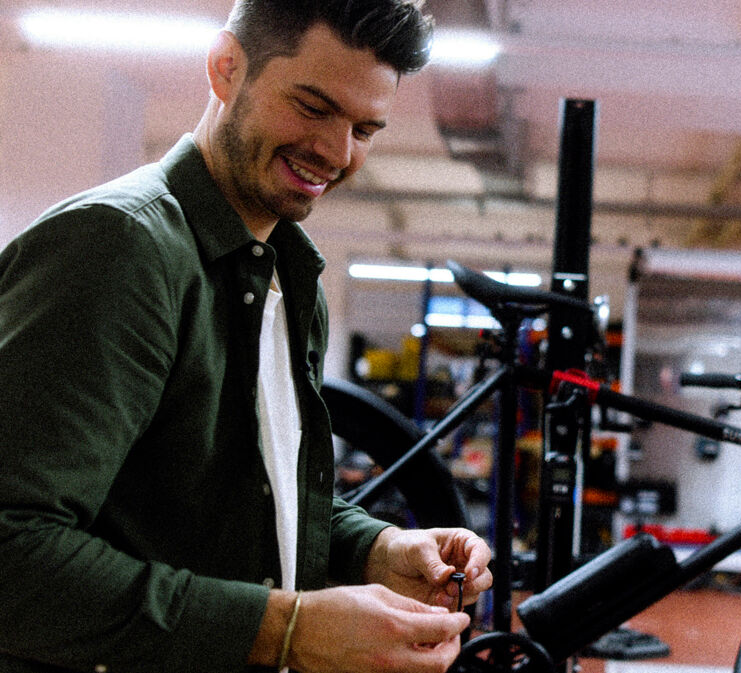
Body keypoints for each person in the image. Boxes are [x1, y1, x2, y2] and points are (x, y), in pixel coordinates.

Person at [0, 2, 493, 672]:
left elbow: (247, 496)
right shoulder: (119, 249)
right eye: (312, 106)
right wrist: (291, 629)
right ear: (227, 68)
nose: (337, 152)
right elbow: (12, 550)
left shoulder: (293, 278)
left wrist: (375, 549)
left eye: (365, 128)